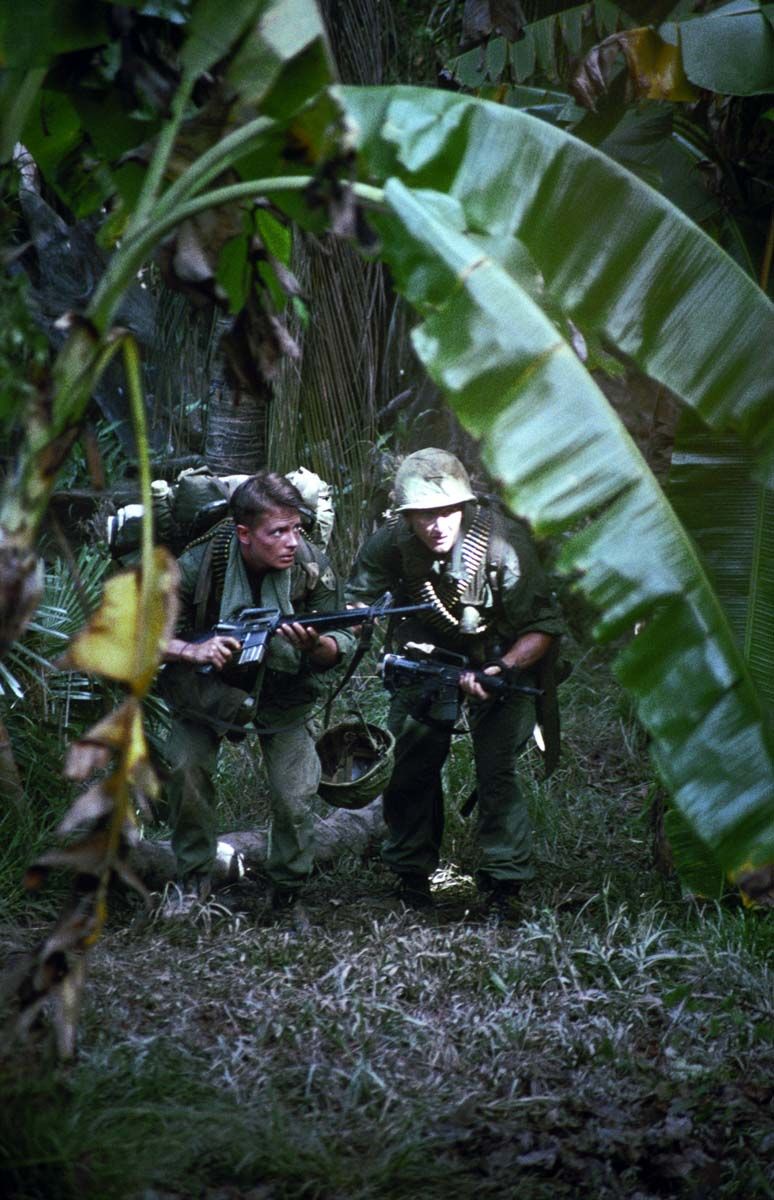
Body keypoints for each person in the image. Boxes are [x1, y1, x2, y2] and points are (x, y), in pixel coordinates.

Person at [346, 448, 565, 913]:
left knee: (496, 770)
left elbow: (542, 628)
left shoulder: (503, 546)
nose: (437, 525)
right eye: (424, 515)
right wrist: (346, 626)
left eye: (447, 511)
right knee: (410, 762)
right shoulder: (391, 544)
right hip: (425, 661)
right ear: (406, 516)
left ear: (464, 506)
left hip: (502, 662)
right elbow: (355, 603)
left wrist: (504, 668)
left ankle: (504, 885)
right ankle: (410, 874)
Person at [157, 471, 355, 912]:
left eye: (296, 529)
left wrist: (316, 646)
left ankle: (288, 890)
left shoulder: (310, 565)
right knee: (186, 769)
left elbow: (342, 637)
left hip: (283, 690)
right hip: (206, 690)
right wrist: (192, 650)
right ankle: (193, 877)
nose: (291, 542)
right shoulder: (196, 566)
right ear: (244, 534)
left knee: (294, 793)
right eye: (277, 532)